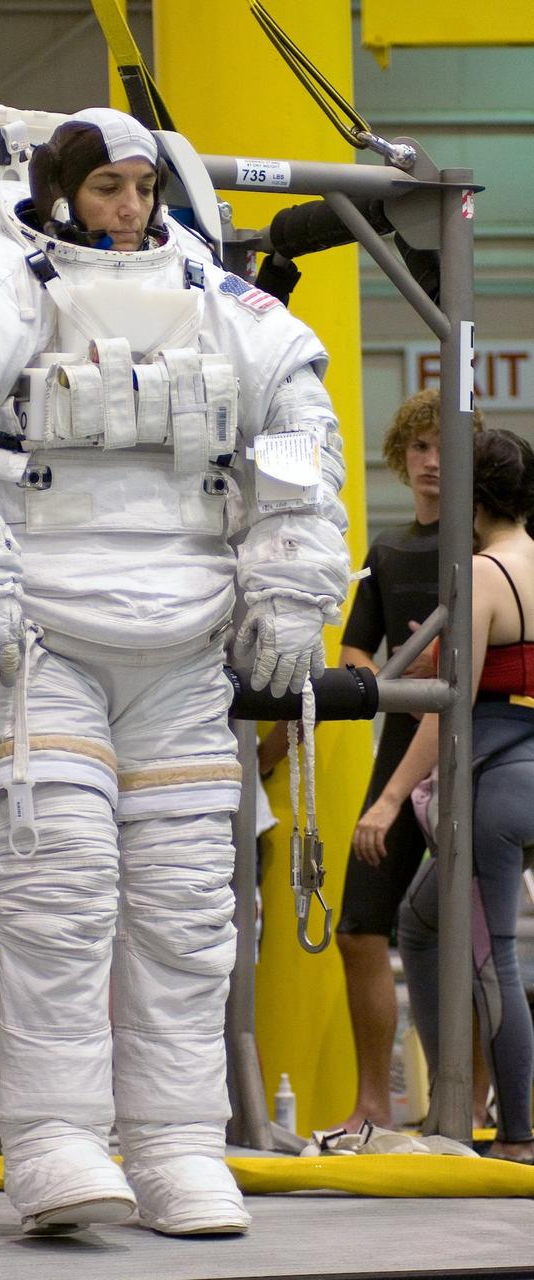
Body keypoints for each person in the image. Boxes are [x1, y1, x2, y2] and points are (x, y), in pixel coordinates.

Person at [0, 106, 350, 1235]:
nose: (128, 208)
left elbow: (299, 425)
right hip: (33, 628)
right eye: (107, 190)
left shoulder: (212, 290)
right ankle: (55, 1137)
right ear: (64, 190)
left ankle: (180, 1140)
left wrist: (290, 572)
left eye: (141, 187)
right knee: (62, 896)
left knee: (189, 909)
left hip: (184, 633)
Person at [354, 428, 534, 1163]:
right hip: (517, 774)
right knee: (421, 923)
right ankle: (450, 1104)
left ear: (472, 497)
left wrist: (389, 799)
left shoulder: (483, 575)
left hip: (494, 785)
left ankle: (518, 1132)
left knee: (497, 966)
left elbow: (441, 707)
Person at [335, 389, 483, 1131]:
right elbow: (354, 645)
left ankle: (479, 1101)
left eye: (443, 447)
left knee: (475, 936)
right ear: (400, 458)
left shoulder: (490, 550)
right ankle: (372, 1105)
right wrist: (385, 682)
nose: (430, 462)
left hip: (474, 753)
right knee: (358, 924)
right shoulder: (386, 552)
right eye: (419, 448)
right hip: (399, 747)